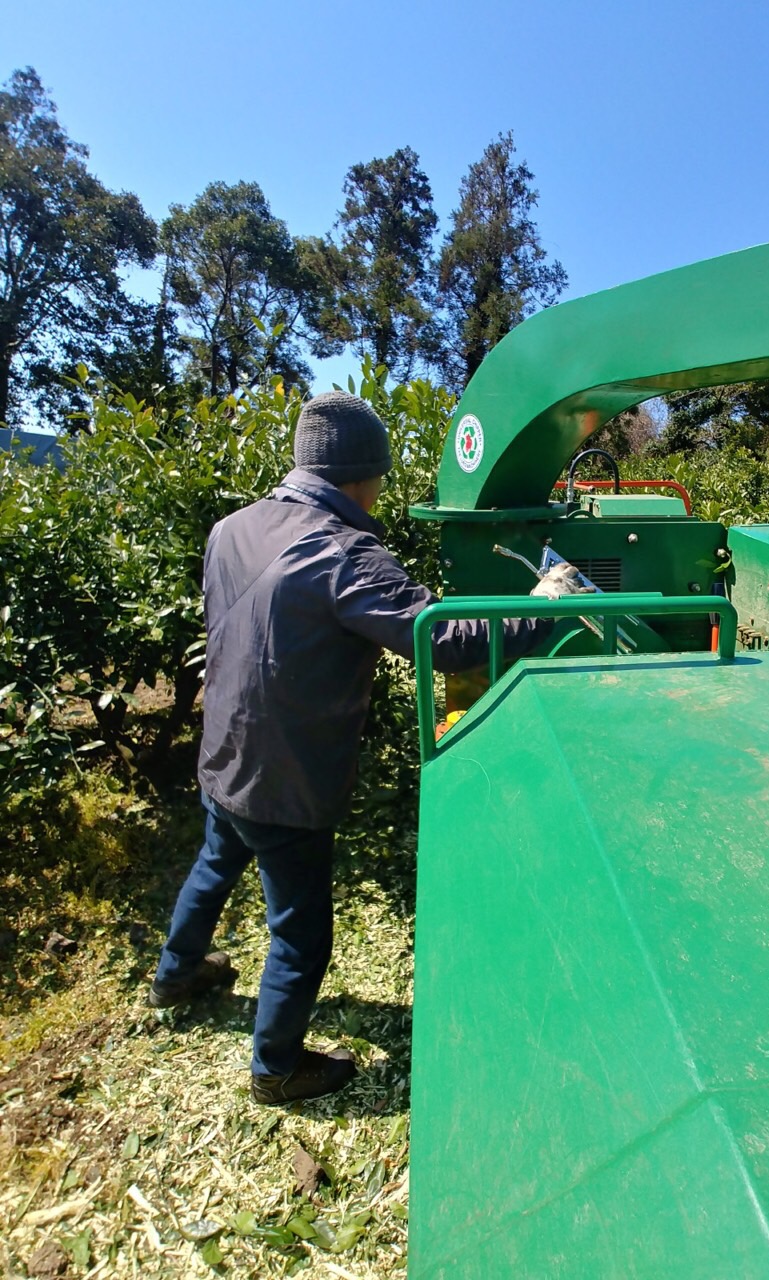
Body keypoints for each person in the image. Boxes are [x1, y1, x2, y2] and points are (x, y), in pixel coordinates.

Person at [148, 391, 553, 1105]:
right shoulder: (342, 551)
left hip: (225, 755)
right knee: (301, 935)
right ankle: (276, 1068)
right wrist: (545, 608)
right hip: (287, 778)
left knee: (214, 865)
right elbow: (443, 639)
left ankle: (176, 975)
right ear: (361, 474)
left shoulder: (231, 528)